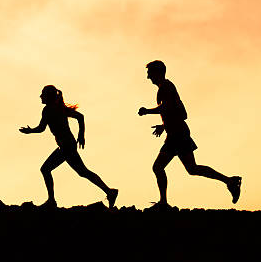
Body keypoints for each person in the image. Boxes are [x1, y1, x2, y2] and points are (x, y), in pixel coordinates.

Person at [138, 60, 241, 210]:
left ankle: (163, 203)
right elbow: (180, 112)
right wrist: (164, 125)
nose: (148, 77)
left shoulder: (167, 87)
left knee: (159, 167)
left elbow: (170, 109)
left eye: (149, 73)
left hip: (178, 136)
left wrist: (147, 111)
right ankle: (229, 181)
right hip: (175, 135)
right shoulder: (166, 88)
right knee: (191, 169)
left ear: (157, 72)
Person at [20, 85, 118, 208]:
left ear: (48, 96)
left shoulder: (51, 109)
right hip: (67, 145)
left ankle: (51, 201)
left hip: (66, 146)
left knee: (46, 169)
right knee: (83, 172)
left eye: (42, 94)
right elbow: (43, 128)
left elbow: (42, 128)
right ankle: (110, 192)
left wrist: (81, 135)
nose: (40, 96)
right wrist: (81, 135)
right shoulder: (57, 108)